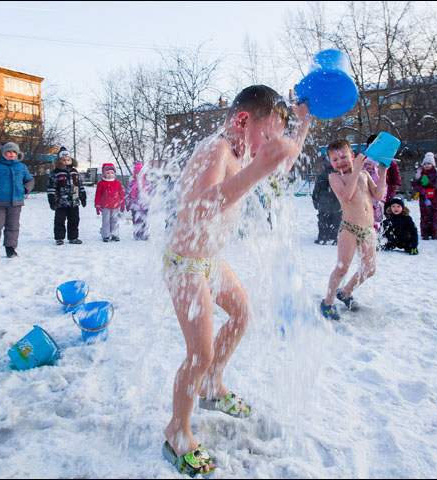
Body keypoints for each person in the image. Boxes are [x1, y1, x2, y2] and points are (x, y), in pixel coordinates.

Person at [161, 85, 311, 476]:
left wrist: (303, 128)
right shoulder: (217, 149)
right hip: (185, 264)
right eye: (269, 134)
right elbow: (198, 206)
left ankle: (212, 385)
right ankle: (176, 432)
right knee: (200, 353)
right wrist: (259, 168)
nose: (270, 145)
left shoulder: (243, 150)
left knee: (243, 316)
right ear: (243, 121)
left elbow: (279, 169)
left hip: (209, 260)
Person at [320, 138, 387, 320]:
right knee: (342, 267)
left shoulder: (364, 175)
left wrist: (383, 171)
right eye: (335, 160)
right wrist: (357, 169)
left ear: (353, 156)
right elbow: (347, 196)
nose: (340, 162)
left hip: (367, 229)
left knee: (370, 268)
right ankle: (327, 301)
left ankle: (346, 291)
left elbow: (379, 196)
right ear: (330, 163)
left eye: (343, 157)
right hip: (349, 228)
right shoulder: (335, 177)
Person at [47, 147, 87, 245]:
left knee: (74, 220)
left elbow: (80, 185)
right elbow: (51, 187)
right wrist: (51, 200)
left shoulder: (74, 172)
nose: (66, 161)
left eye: (68, 160)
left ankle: (73, 237)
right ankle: (59, 238)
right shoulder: (55, 173)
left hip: (74, 201)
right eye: (63, 160)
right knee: (59, 221)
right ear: (59, 161)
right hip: (61, 202)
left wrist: (83, 197)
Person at [411, 152, 437, 240]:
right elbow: (414, 184)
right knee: (424, 217)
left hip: (435, 199)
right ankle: (425, 234)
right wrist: (420, 189)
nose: (427, 165)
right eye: (425, 164)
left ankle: (435, 233)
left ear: (433, 164)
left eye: (429, 163)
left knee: (435, 217)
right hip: (424, 199)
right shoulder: (420, 175)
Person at [312, 155, 342, 245]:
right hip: (337, 203)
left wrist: (315, 202)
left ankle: (323, 237)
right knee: (336, 221)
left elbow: (316, 191)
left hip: (323, 204)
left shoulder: (321, 176)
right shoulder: (338, 175)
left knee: (323, 221)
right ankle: (335, 237)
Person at [95, 163, 125, 242]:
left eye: (112, 173)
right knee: (106, 221)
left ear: (114, 174)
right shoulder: (101, 184)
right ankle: (106, 235)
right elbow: (98, 195)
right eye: (107, 173)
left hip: (115, 206)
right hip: (105, 206)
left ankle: (115, 234)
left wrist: (123, 203)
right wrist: (97, 205)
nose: (110, 175)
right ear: (104, 174)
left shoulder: (117, 183)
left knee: (114, 220)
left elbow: (121, 193)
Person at [366, 133, 401, 203]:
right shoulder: (367, 156)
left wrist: (396, 182)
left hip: (386, 183)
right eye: (370, 144)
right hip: (370, 185)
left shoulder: (385, 157)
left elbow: (394, 171)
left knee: (386, 201)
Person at [126, 161, 153, 240]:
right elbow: (128, 194)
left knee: (145, 220)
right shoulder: (132, 184)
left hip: (145, 206)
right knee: (136, 220)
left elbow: (151, 193)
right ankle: (137, 234)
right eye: (137, 173)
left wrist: (152, 202)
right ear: (135, 174)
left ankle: (145, 233)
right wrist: (128, 203)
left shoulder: (148, 184)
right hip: (135, 206)